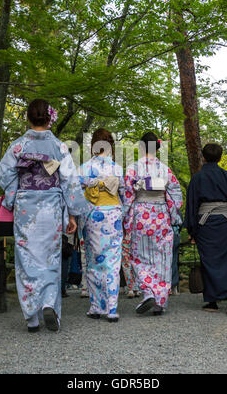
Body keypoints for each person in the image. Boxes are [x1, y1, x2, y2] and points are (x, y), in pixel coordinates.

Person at [0, 99, 88, 332]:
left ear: (28, 117)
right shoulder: (59, 147)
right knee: (50, 258)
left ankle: (31, 318)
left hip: (26, 207)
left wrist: (14, 195)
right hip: (51, 207)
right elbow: (70, 182)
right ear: (50, 118)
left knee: (26, 259)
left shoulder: (17, 146)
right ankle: (49, 303)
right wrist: (72, 215)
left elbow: (4, 174)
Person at [124, 132, 183, 315]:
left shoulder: (133, 168)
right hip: (160, 215)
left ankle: (148, 292)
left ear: (141, 147)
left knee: (139, 257)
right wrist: (173, 215)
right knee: (163, 258)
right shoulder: (166, 170)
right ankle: (160, 301)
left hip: (141, 214)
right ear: (157, 148)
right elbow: (175, 195)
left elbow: (127, 195)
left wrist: (126, 217)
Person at [184, 143, 227, 315]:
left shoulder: (197, 178)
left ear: (203, 157)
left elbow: (192, 205)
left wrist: (192, 230)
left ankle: (212, 302)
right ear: (220, 158)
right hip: (226, 223)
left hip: (205, 224)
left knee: (208, 261)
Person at [78, 128, 125, 322]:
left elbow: (77, 195)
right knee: (113, 261)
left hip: (93, 213)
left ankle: (97, 306)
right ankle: (112, 308)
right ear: (111, 146)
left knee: (94, 258)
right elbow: (125, 194)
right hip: (114, 213)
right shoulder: (118, 169)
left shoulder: (84, 168)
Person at [121, 231, 140, 298]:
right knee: (135, 262)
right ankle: (136, 288)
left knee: (126, 263)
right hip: (136, 235)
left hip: (124, 235)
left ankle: (131, 288)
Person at [170, 209, 183, 296]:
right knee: (174, 260)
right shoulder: (176, 209)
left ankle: (165, 287)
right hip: (175, 234)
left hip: (162, 234)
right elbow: (181, 223)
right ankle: (174, 287)